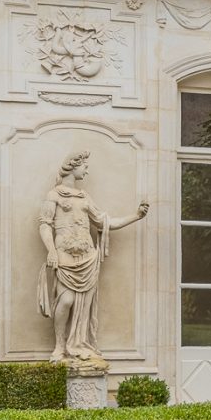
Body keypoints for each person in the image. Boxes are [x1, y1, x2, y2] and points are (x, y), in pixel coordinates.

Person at [39, 151, 148, 365]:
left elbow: (105, 222)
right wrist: (51, 250)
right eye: (85, 166)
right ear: (74, 165)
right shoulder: (54, 195)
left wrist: (136, 216)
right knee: (66, 300)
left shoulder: (85, 197)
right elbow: (44, 224)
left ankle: (78, 343)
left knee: (85, 308)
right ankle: (60, 345)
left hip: (87, 259)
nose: (87, 170)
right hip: (64, 257)